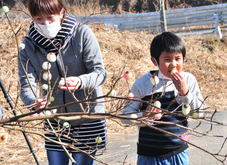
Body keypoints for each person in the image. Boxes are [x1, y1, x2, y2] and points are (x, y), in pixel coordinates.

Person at [18, 0, 107, 164]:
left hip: (87, 116)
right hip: (55, 121)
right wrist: (33, 102)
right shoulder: (28, 46)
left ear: (61, 12)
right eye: (38, 19)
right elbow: (26, 85)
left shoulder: (81, 34)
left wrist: (80, 81)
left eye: (50, 18)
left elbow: (100, 73)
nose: (45, 24)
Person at [122, 32, 205, 165]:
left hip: (178, 152)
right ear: (154, 61)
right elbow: (124, 118)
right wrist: (144, 115)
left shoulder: (188, 80)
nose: (173, 64)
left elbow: (200, 113)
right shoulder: (143, 84)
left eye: (178, 58)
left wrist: (185, 93)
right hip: (149, 154)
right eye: (167, 59)